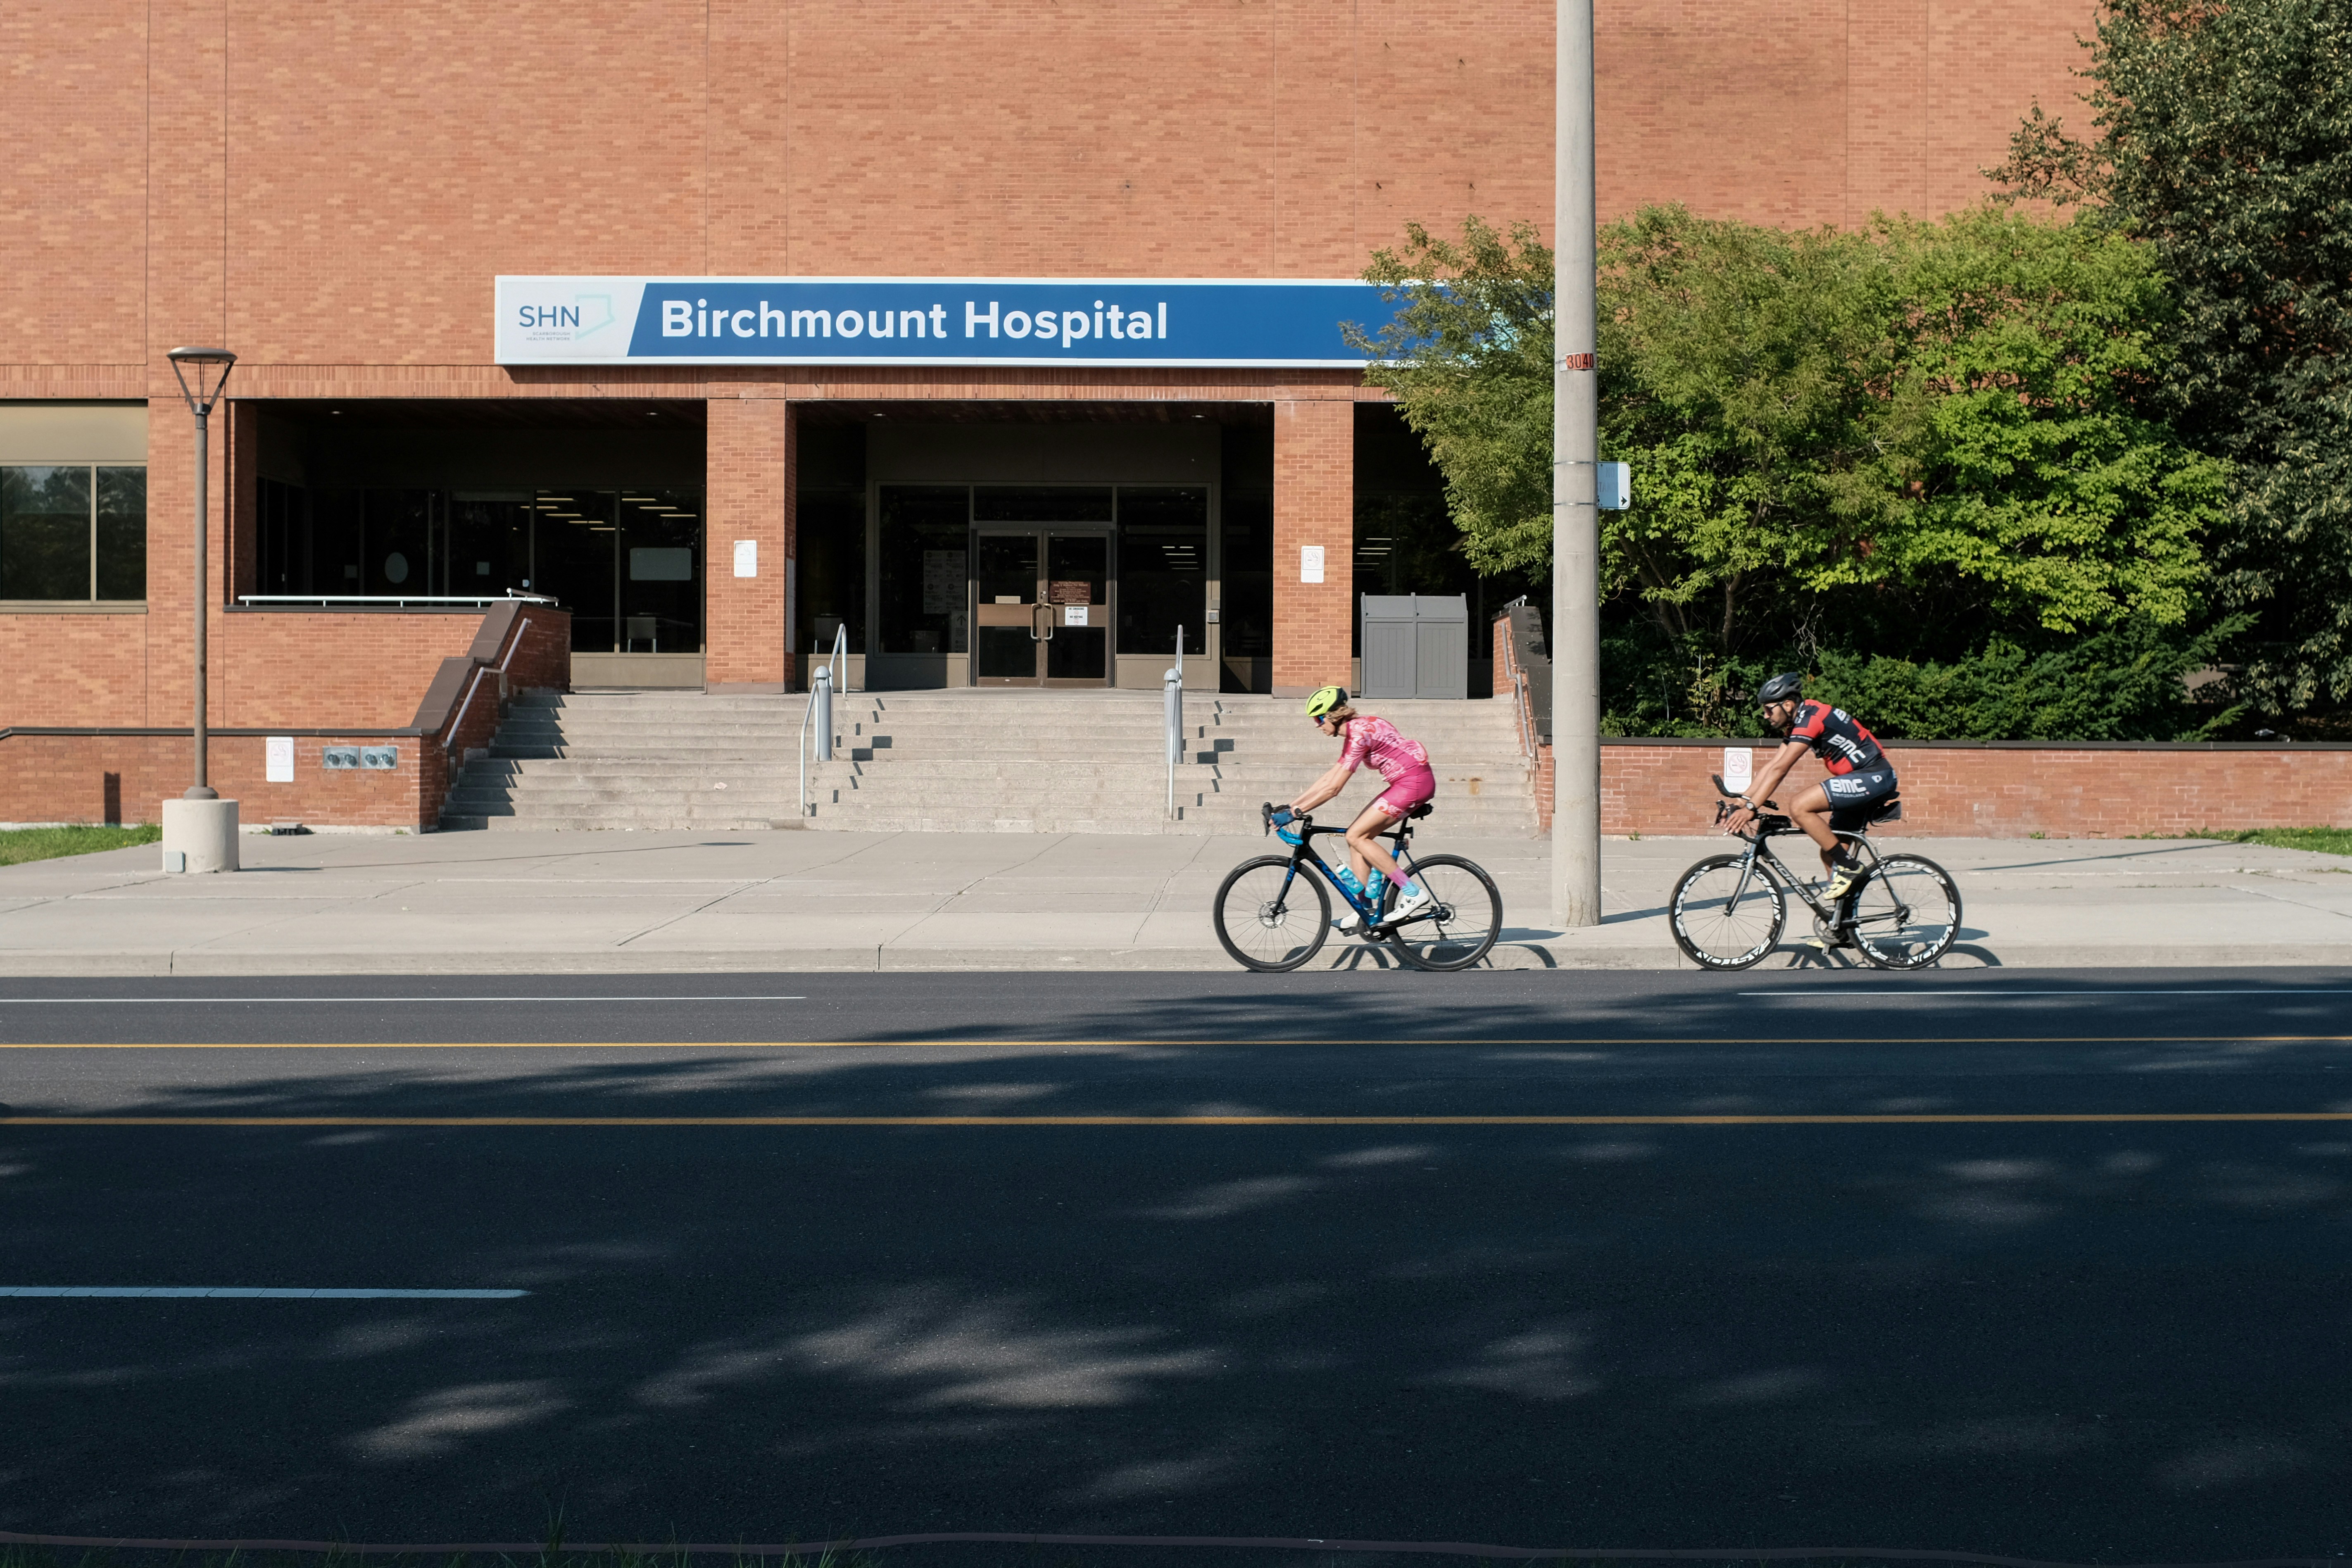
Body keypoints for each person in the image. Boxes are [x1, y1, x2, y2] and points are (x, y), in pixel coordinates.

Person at [1271, 685, 1437, 931]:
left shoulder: (1359, 734)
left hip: (1412, 784)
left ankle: (1412, 892)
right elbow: (1330, 777)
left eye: (1318, 719)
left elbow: (1333, 789)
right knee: (1356, 838)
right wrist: (1292, 805)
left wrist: (1294, 814)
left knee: (1356, 835)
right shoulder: (1358, 730)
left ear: (1331, 716)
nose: (1317, 725)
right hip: (1409, 782)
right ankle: (1365, 911)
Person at [1722, 671, 1898, 902]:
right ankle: (1840, 931)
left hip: (1875, 776)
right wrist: (1741, 801)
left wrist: (1751, 808)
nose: (1766, 716)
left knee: (1800, 806)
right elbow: (1772, 765)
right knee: (1831, 854)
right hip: (1861, 779)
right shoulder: (1798, 722)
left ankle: (1851, 868)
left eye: (1769, 709)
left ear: (1787, 704)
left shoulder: (1811, 717)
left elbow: (1781, 770)